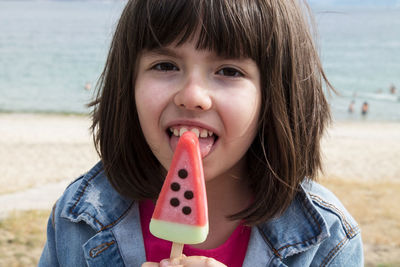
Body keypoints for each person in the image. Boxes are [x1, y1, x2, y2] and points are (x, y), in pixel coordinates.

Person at [39, 0, 363, 266]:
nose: (192, 96)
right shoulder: (77, 220)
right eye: (165, 65)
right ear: (128, 85)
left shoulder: (328, 240)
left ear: (275, 95)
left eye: (228, 71)